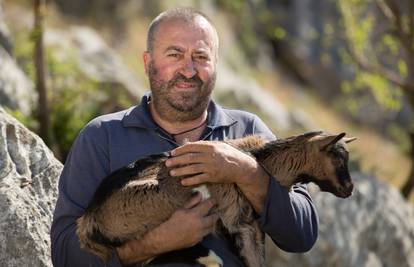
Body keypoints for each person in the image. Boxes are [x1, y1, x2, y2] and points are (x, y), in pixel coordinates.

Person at [50, 7, 318, 267]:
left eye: (201, 57)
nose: (189, 70)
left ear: (215, 65)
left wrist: (246, 171)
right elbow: (65, 255)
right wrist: (153, 243)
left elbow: (301, 235)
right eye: (175, 54)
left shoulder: (248, 130)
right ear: (148, 62)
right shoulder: (102, 137)